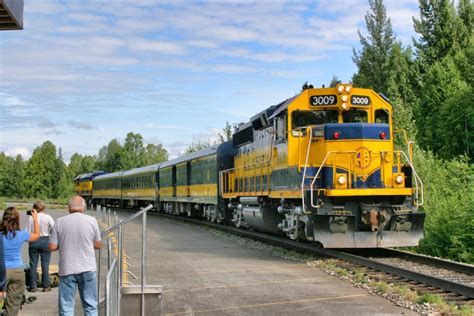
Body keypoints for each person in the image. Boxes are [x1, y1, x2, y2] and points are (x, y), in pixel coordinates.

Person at [49, 196, 101, 316]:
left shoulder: (59, 221)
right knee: (90, 306)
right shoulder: (92, 220)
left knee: (66, 307)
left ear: (69, 208)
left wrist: (63, 243)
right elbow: (98, 244)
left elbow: (52, 247)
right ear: (84, 207)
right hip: (88, 267)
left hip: (67, 268)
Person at [2, 206, 39, 315]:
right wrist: (35, 218)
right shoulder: (21, 235)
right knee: (13, 304)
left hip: (2, 271)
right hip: (17, 270)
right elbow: (36, 235)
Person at [26, 201, 54, 292]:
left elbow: (27, 231)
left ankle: (33, 286)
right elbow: (54, 229)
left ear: (34, 209)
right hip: (45, 240)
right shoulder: (48, 217)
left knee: (33, 264)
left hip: (34, 241)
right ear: (44, 208)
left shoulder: (31, 218)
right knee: (45, 264)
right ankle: (46, 286)